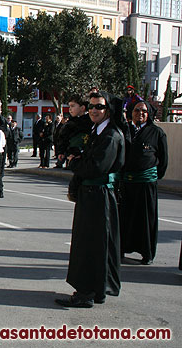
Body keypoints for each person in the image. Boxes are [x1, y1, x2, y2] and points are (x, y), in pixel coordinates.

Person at [56, 91, 125, 308]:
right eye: (92, 106)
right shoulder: (98, 132)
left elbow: (95, 168)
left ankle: (87, 292)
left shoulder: (111, 135)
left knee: (91, 245)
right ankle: (93, 289)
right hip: (92, 195)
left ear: (108, 110)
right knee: (93, 244)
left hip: (99, 196)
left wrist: (73, 162)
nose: (95, 110)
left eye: (100, 107)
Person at [119, 100, 168, 265]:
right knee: (125, 218)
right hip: (127, 183)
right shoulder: (125, 130)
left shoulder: (156, 133)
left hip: (146, 184)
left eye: (144, 111)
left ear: (149, 114)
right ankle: (122, 249)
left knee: (146, 220)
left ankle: (147, 253)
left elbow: (163, 161)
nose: (140, 113)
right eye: (137, 110)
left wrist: (151, 175)